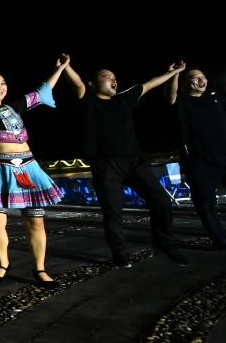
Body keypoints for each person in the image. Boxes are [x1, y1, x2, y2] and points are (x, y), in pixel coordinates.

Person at [62, 61, 188, 267]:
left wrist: (173, 72)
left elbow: (150, 84)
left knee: (162, 201)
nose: (113, 80)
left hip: (134, 162)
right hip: (105, 165)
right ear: (92, 84)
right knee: (113, 212)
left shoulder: (123, 99)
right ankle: (119, 253)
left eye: (115, 78)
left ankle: (164, 241)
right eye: (107, 77)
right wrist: (66, 66)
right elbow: (77, 84)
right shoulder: (88, 100)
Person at [0, 56, 70, 287]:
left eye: (3, 83)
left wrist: (60, 68)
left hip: (29, 169)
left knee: (36, 222)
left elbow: (43, 91)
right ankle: (3, 264)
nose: (0, 87)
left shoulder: (15, 106)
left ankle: (40, 269)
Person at [167, 66, 226, 248]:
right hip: (199, 160)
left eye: (203, 77)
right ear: (185, 84)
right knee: (206, 202)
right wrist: (175, 74)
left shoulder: (215, 98)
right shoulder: (182, 102)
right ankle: (219, 239)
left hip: (223, 154)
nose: (201, 80)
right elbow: (172, 96)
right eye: (195, 77)